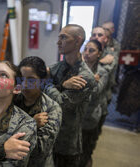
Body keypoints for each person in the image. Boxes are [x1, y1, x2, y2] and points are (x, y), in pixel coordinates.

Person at [43, 24, 96, 167]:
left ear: (78, 41)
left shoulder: (84, 77)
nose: (58, 42)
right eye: (59, 37)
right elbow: (32, 83)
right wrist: (61, 86)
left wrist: (47, 83)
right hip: (48, 137)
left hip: (66, 145)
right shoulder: (57, 67)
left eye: (63, 37)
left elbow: (61, 103)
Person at [14, 56, 62, 167]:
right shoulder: (13, 100)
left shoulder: (51, 109)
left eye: (31, 80)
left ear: (43, 80)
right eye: (21, 78)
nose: (25, 84)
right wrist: (31, 124)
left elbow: (40, 150)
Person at [79, 40, 109, 167]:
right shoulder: (77, 68)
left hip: (90, 119)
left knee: (86, 151)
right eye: (85, 49)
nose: (87, 53)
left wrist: (86, 81)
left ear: (99, 54)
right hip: (76, 118)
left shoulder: (102, 72)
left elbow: (95, 93)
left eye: (91, 50)